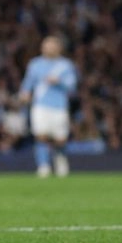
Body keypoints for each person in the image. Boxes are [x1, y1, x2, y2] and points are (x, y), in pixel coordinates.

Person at [19, 36, 78, 178]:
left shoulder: (66, 65)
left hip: (59, 106)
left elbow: (72, 86)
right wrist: (25, 93)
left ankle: (60, 159)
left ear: (58, 48)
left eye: (51, 46)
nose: (48, 48)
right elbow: (28, 82)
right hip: (40, 105)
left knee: (60, 139)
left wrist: (59, 81)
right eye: (46, 46)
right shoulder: (35, 64)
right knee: (41, 136)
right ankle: (43, 166)